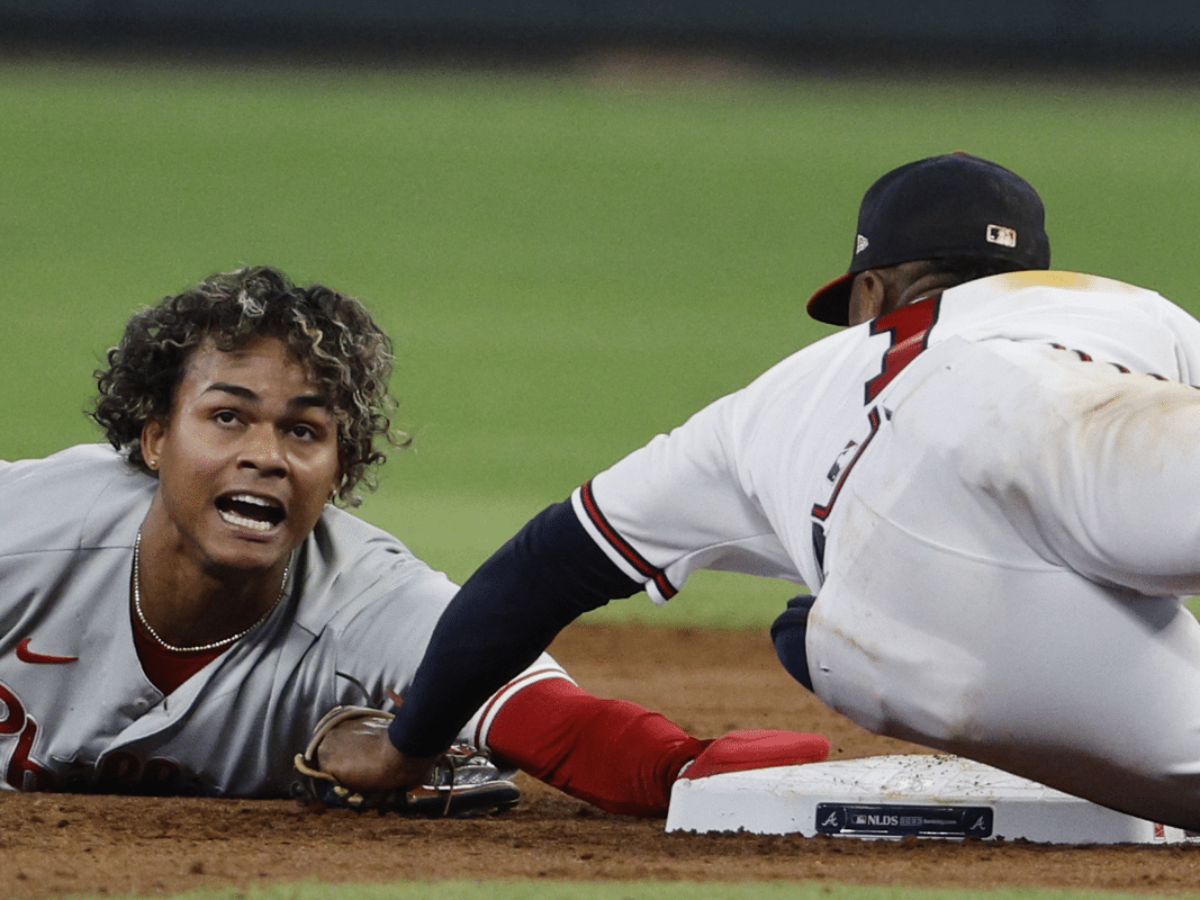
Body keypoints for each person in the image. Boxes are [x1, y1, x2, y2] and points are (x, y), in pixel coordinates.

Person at [320, 153, 1200, 830]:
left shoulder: (771, 403)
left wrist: (408, 746)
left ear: (871, 290)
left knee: (817, 629)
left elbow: (542, 566)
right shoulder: (1125, 308)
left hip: (915, 548)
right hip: (1104, 410)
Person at [0, 265, 829, 810]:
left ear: (340, 468)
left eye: (304, 432)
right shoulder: (27, 531)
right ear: (153, 441)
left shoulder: (369, 600)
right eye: (227, 418)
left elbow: (559, 723)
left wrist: (687, 770)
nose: (264, 456)